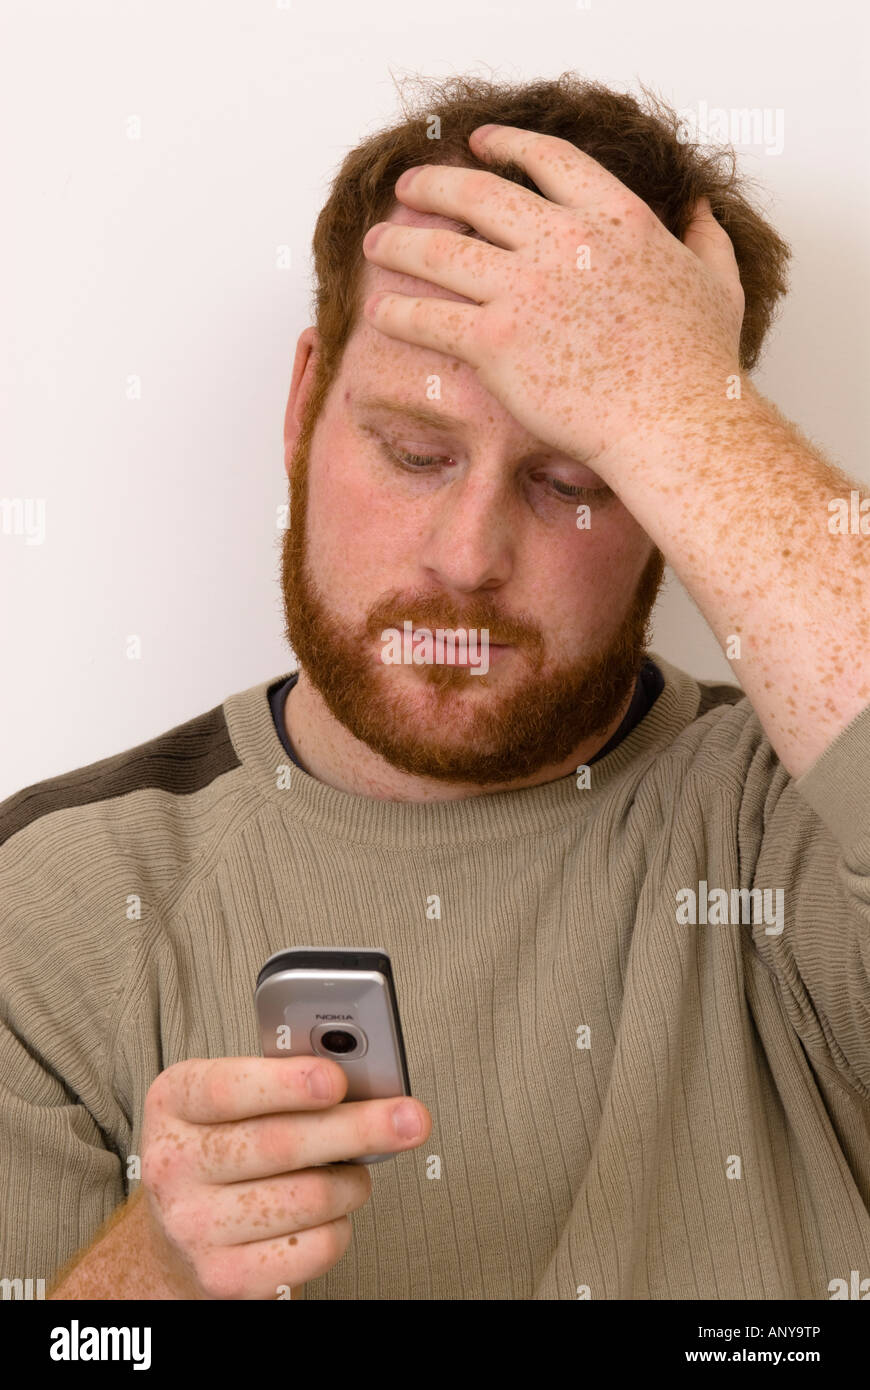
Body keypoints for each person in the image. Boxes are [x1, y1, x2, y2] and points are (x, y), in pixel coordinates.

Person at [2, 74, 869, 1302]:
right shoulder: (46, 904)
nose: (468, 556)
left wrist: (681, 410)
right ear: (306, 405)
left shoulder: (797, 836)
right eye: (416, 450)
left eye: (575, 475)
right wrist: (157, 1271)